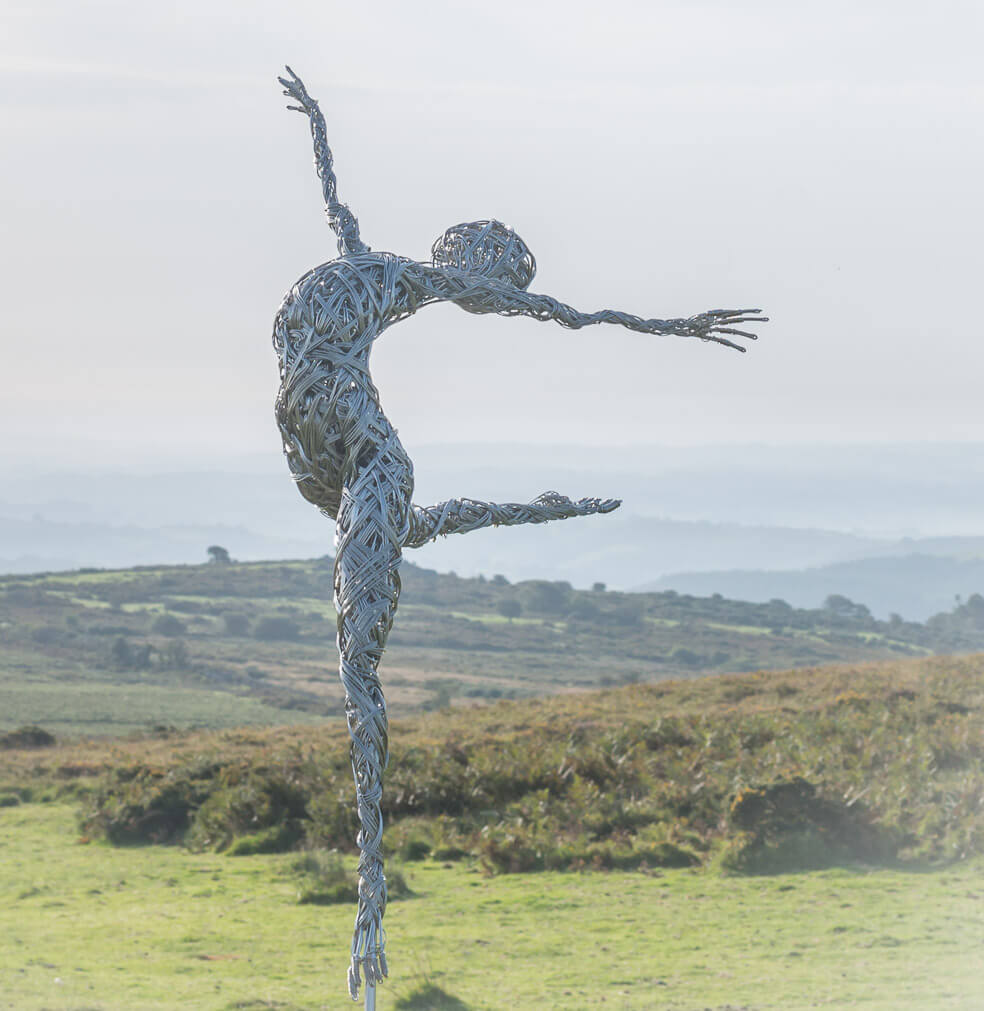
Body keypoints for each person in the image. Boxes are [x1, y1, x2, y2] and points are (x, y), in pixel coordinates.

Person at [272, 66, 765, 1000]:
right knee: (388, 580)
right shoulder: (390, 272)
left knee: (357, 663)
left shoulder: (389, 275)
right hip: (324, 448)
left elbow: (573, 314)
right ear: (479, 265)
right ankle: (538, 508)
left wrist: (679, 326)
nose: (488, 294)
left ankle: (367, 911)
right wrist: (319, 121)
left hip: (350, 448)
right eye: (494, 281)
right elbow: (345, 205)